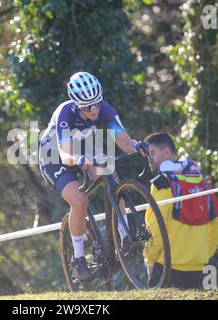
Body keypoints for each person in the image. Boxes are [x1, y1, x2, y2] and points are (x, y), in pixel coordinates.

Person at [38, 71, 148, 282]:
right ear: (77, 104)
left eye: (97, 103)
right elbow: (65, 153)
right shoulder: (65, 113)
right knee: (80, 201)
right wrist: (81, 162)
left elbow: (124, 142)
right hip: (55, 154)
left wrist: (137, 146)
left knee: (111, 175)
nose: (94, 109)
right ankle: (79, 259)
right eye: (88, 106)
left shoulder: (104, 109)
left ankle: (125, 238)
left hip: (83, 147)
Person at [143, 132, 218, 289]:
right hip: (199, 266)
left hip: (167, 266)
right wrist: (205, 253)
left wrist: (149, 258)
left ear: (166, 152)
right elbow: (216, 222)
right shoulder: (200, 180)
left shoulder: (162, 184)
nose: (149, 159)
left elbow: (155, 227)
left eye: (152, 153)